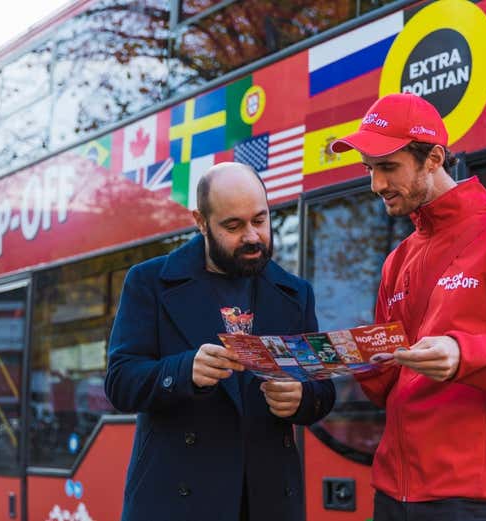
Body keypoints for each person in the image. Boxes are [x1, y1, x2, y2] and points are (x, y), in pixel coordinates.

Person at [330, 93, 486, 521]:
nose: (376, 184)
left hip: (478, 497)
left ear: (433, 158)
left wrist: (464, 354)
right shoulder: (397, 260)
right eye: (369, 169)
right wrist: (350, 359)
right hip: (393, 490)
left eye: (388, 167)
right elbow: (386, 386)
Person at [105, 162, 335, 521]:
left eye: (260, 220)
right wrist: (185, 370)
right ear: (201, 222)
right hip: (178, 503)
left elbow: (321, 388)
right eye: (233, 226)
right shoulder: (149, 282)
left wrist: (301, 397)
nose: (252, 236)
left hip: (269, 502)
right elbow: (120, 383)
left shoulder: (295, 293)